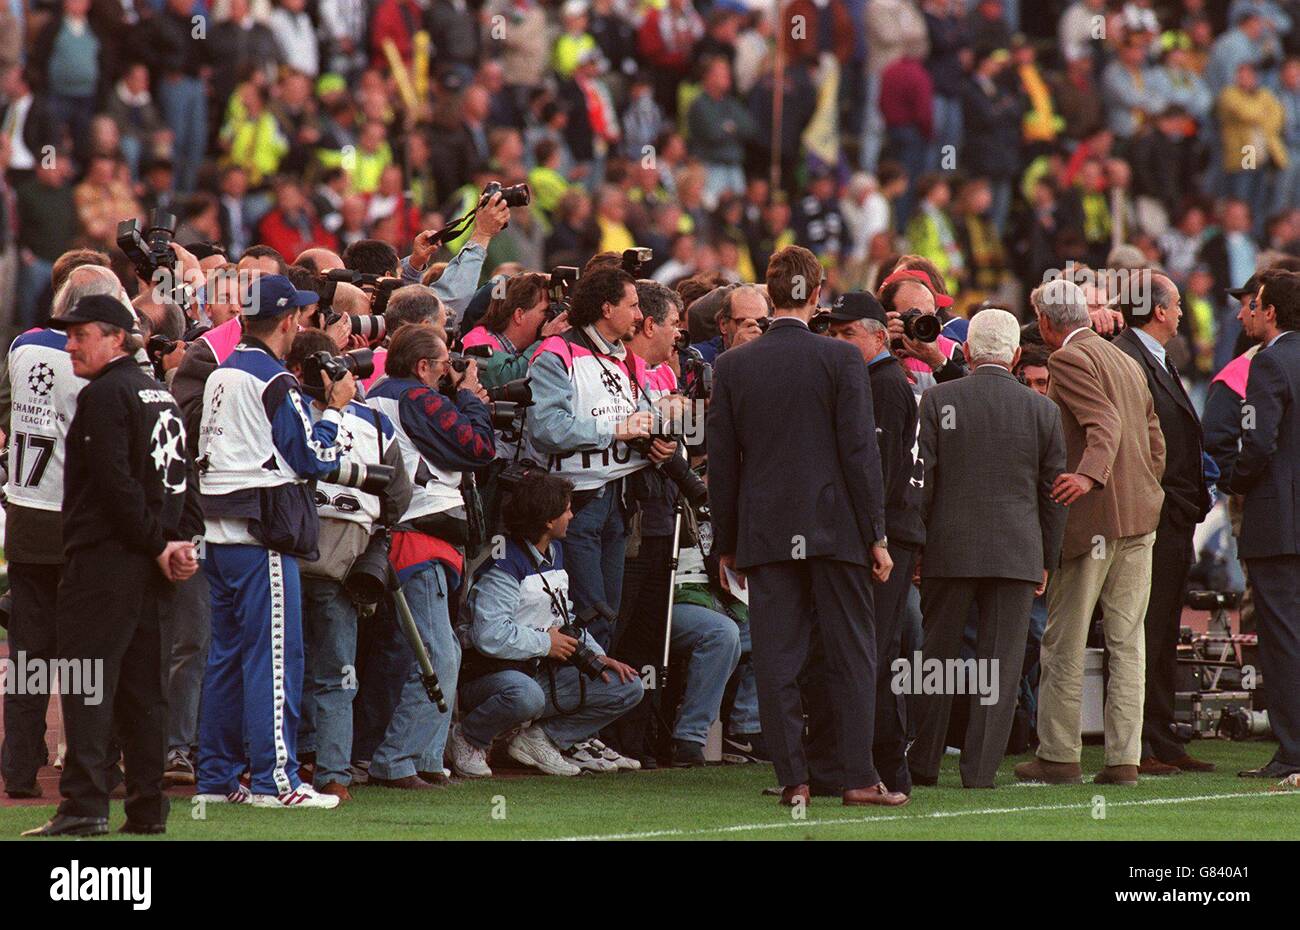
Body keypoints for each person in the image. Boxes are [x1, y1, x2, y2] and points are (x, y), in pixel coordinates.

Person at [707, 245, 907, 809]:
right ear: (816, 294)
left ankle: (794, 779)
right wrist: (876, 534)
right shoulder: (841, 361)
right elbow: (859, 453)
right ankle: (857, 778)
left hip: (767, 534)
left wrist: (726, 544)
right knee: (853, 653)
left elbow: (723, 465)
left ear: (771, 295)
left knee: (776, 656)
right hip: (836, 530)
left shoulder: (733, 365)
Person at [24, 294, 202, 837]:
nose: (70, 345)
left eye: (81, 335)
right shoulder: (159, 396)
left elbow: (114, 486)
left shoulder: (105, 394)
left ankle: (83, 807)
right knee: (144, 693)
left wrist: (155, 545)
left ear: (117, 338)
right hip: (152, 567)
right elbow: (183, 480)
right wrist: (177, 543)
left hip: (106, 565)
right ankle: (148, 811)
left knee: (88, 686)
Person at [194, 274, 356, 810]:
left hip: (218, 532)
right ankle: (274, 782)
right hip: (260, 536)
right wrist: (334, 409)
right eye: (303, 316)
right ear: (288, 321)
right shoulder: (271, 378)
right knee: (274, 659)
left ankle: (217, 777)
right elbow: (313, 457)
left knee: (226, 658)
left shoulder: (224, 371)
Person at [909, 308, 1067, 789]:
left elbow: (922, 484)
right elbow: (1052, 493)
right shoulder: (1043, 410)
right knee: (999, 668)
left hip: (948, 549)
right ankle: (978, 771)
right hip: (1017, 553)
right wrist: (1047, 558)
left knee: (936, 662)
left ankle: (924, 762)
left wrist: (918, 545)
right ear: (1017, 355)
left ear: (969, 353)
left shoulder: (937, 400)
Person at [1017, 279, 1165, 788]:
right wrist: (1144, 486)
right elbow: (1153, 438)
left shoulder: (1066, 360)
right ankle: (1124, 759)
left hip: (1091, 523)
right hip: (1140, 521)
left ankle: (1060, 755)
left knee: (1064, 640)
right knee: (1128, 643)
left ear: (1045, 322)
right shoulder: (1126, 358)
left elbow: (1103, 424)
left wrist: (1088, 476)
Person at [0, 267, 121, 799]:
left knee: (27, 656)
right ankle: (91, 770)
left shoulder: (23, 347)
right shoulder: (93, 361)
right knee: (88, 654)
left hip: (25, 512)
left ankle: (19, 769)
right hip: (76, 519)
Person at [362, 325, 496, 788]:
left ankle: (422, 758)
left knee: (429, 652)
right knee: (437, 654)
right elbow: (478, 448)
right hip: (419, 537)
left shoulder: (378, 393)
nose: (447, 375)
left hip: (403, 536)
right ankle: (396, 759)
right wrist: (472, 399)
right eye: (442, 367)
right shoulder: (415, 397)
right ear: (422, 366)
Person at [285, 331, 412, 802]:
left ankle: (275, 766)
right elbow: (398, 496)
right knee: (336, 673)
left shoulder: (282, 409)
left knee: (277, 664)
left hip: (287, 551)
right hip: (347, 560)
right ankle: (333, 773)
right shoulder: (375, 423)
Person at [452, 468, 643, 778]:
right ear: (547, 521)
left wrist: (596, 654)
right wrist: (545, 644)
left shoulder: (554, 552)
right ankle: (467, 737)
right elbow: (488, 635)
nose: (572, 514)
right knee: (526, 696)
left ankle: (542, 739)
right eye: (566, 509)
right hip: (489, 678)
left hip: (536, 674)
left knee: (628, 686)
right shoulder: (503, 565)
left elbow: (562, 617)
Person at [522, 265, 659, 649]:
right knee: (587, 614)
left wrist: (660, 438)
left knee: (608, 614)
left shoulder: (626, 358)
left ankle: (599, 701)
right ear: (606, 308)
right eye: (632, 306)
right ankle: (575, 703)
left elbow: (640, 418)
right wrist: (614, 431)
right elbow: (546, 428)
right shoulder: (556, 352)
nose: (638, 315)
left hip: (619, 499)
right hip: (575, 504)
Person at [822, 291, 925, 795]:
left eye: (848, 335)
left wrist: (873, 538)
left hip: (884, 540)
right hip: (881, 535)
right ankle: (861, 767)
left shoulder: (882, 386)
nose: (838, 343)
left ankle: (886, 770)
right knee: (866, 655)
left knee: (874, 657)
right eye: (833, 334)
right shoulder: (869, 380)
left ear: (879, 338)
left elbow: (878, 473)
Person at [1113, 273, 1215, 775]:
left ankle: (1161, 734)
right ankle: (1145, 742)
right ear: (1156, 310)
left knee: (1161, 627)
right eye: (1176, 305)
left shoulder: (1153, 357)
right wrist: (1166, 500)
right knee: (1147, 630)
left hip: (1171, 517)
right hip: (1153, 518)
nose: (1181, 313)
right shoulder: (1132, 357)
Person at [1218, 269, 1300, 779]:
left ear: (1270, 312)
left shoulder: (1270, 363)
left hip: (1279, 524)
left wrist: (1234, 481)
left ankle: (1292, 750)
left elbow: (1258, 443)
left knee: (1283, 637)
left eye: (1255, 303)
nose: (1247, 310)